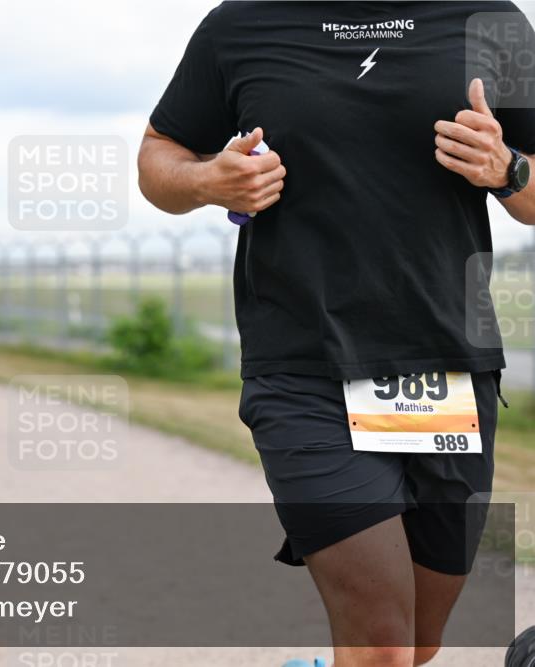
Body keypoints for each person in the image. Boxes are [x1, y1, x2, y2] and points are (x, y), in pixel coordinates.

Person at [137, 3, 534, 666]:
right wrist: (209, 180)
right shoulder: (241, 24)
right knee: (381, 643)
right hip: (302, 368)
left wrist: (509, 169)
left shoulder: (489, 19)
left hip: (447, 367)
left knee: (419, 643)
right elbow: (158, 158)